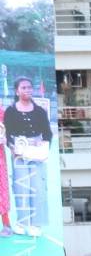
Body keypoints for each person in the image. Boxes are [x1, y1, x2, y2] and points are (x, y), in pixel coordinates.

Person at [5, 77, 53, 238]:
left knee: (38, 188)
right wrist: (12, 146)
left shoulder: (39, 111)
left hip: (37, 153)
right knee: (21, 187)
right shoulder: (10, 110)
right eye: (24, 88)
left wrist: (42, 141)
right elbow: (7, 133)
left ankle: (36, 224)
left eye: (30, 88)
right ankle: (22, 222)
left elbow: (48, 133)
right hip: (19, 153)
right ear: (16, 91)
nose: (28, 90)